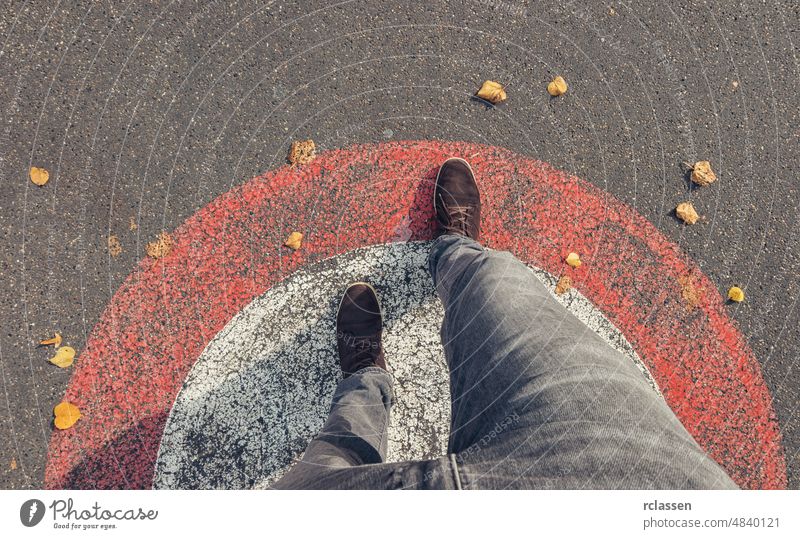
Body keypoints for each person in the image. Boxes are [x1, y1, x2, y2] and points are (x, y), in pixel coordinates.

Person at [273, 158, 737, 489]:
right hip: (628, 481)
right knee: (498, 288)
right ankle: (456, 253)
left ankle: (364, 379)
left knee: (331, 460)